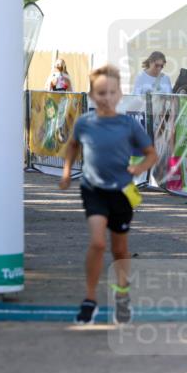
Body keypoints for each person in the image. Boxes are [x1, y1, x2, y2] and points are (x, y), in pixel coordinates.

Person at [59, 64, 158, 325]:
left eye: (111, 92)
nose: (106, 97)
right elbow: (72, 147)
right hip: (93, 189)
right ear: (92, 95)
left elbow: (152, 154)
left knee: (119, 249)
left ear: (119, 94)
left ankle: (122, 295)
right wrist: (67, 172)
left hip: (122, 193)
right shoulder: (84, 123)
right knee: (98, 242)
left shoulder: (128, 125)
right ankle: (89, 299)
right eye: (101, 93)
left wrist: (138, 168)